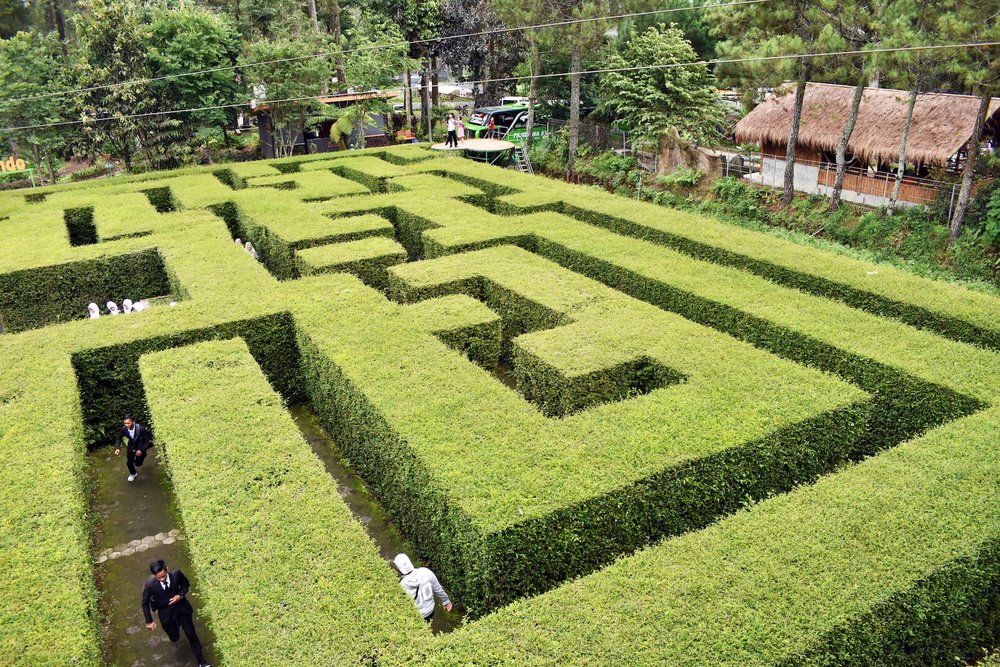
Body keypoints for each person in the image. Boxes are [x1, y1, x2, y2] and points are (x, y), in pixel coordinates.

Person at [142, 560, 210, 667]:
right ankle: (176, 626)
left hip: (182, 610)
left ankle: (201, 661)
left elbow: (185, 584)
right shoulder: (150, 586)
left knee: (192, 635)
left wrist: (180, 595)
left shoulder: (177, 575)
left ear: (167, 569)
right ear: (154, 575)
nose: (162, 579)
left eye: (163, 576)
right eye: (158, 577)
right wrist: (149, 621)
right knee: (174, 637)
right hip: (166, 615)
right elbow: (145, 604)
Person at [392, 553, 452, 622]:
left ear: (399, 569)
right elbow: (438, 589)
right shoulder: (426, 572)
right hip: (430, 610)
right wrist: (446, 601)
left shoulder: (402, 585)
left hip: (416, 615)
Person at [114, 414, 151, 482]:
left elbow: (148, 441)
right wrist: (117, 448)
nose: (126, 425)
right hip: (131, 446)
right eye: (125, 423)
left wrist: (142, 450)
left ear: (133, 422)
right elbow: (118, 438)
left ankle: (143, 455)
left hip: (140, 447)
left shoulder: (141, 429)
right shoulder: (124, 429)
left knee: (138, 464)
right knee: (129, 463)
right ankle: (133, 474)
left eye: (128, 423)